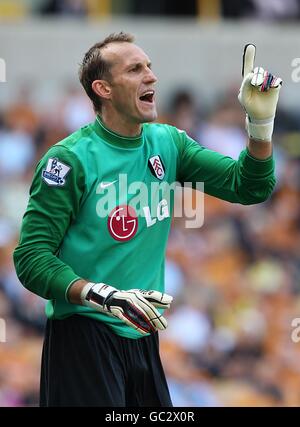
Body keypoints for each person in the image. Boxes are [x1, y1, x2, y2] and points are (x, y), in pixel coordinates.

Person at [13, 32, 282, 407]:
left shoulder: (168, 144)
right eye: (135, 69)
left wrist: (260, 124)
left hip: (142, 336)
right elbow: (30, 258)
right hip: (83, 338)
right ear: (103, 88)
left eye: (150, 67)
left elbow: (250, 186)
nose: (152, 76)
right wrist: (99, 294)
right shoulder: (68, 160)